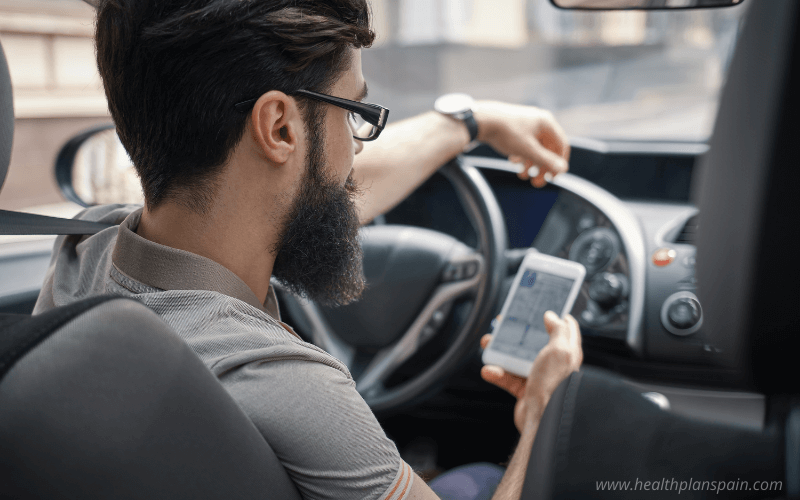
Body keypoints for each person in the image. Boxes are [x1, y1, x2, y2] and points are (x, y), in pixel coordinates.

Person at [34, 1, 583, 499]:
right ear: (278, 128)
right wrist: (542, 413)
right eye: (353, 114)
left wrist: (468, 123)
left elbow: (299, 190)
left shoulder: (84, 246)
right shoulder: (282, 379)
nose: (352, 151)